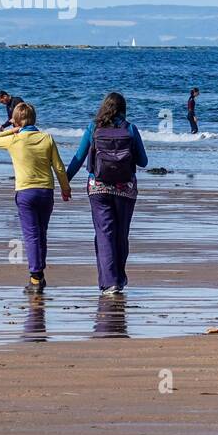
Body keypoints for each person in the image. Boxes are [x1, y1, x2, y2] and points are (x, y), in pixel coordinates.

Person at [0, 101, 71, 293]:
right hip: (46, 191)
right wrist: (66, 189)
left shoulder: (14, 139)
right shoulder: (46, 138)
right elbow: (58, 167)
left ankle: (35, 277)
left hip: (26, 192)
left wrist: (11, 131)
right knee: (42, 233)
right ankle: (39, 273)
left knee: (31, 235)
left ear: (16, 120)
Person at [66, 92, 149, 296]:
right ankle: (119, 279)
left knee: (104, 234)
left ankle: (109, 282)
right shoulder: (130, 128)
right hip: (125, 189)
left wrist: (64, 181)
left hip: (98, 187)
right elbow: (143, 161)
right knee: (121, 235)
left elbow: (78, 158)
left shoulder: (93, 128)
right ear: (123, 109)